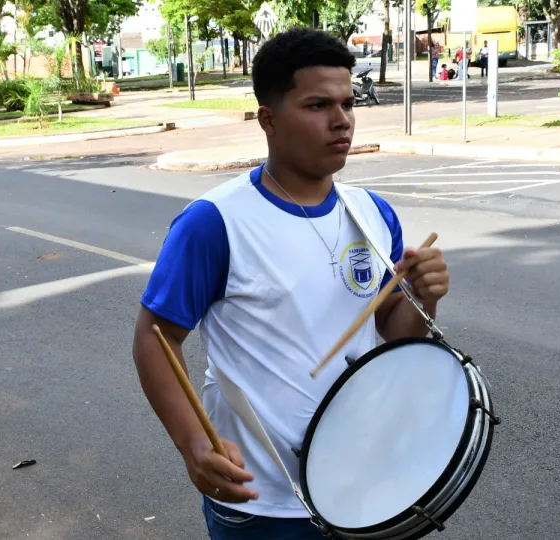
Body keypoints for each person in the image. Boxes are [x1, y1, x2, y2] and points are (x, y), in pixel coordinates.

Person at [131, 28, 450, 540]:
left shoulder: (372, 213)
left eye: (348, 103)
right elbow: (155, 338)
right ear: (269, 120)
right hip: (263, 499)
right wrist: (192, 443)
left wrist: (427, 297)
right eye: (318, 105)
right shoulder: (215, 222)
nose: (341, 120)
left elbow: (396, 332)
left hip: (363, 482)